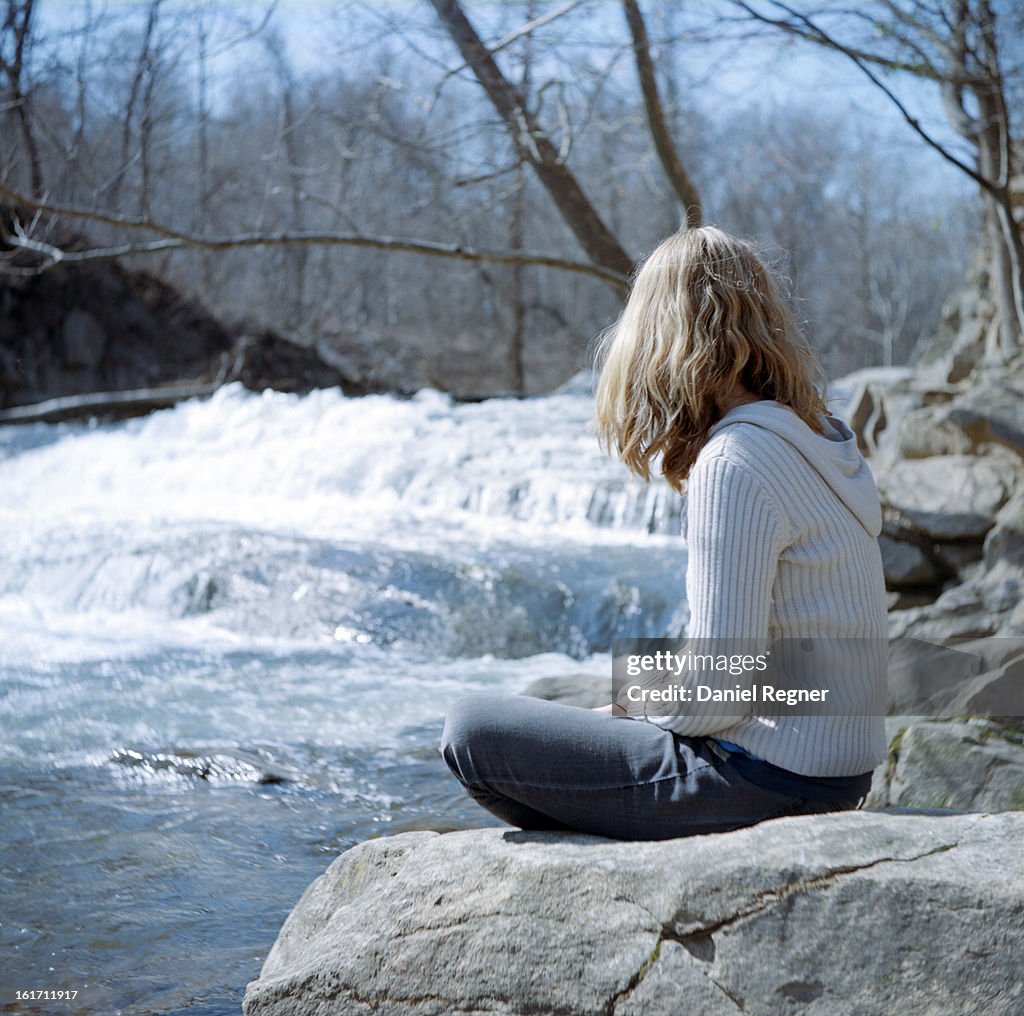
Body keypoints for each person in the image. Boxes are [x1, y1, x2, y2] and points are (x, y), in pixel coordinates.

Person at [439, 226, 889, 841]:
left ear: (658, 338)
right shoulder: (816, 441)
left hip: (764, 778)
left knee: (471, 729)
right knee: (624, 687)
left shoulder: (735, 461)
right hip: (836, 771)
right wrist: (627, 707)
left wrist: (635, 711)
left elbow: (716, 697)